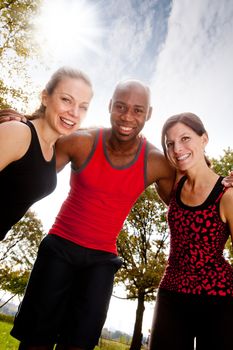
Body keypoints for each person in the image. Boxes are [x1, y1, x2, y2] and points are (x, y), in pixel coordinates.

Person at [2, 83, 233, 350]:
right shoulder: (80, 140)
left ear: (148, 114)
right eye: (121, 107)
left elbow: (196, 185)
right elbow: (35, 157)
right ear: (110, 106)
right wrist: (24, 124)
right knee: (35, 340)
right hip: (59, 247)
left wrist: (226, 181)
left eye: (138, 110)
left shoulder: (158, 162)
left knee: (79, 343)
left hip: (103, 262)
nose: (127, 116)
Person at [149, 113, 233, 350]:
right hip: (171, 295)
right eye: (170, 143)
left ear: (204, 139)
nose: (177, 149)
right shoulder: (175, 181)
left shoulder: (227, 195)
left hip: (218, 299)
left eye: (186, 138)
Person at [0, 66, 93, 241]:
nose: (74, 112)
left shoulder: (52, 147)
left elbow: (92, 131)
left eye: (83, 107)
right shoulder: (19, 133)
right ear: (45, 97)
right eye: (66, 99)